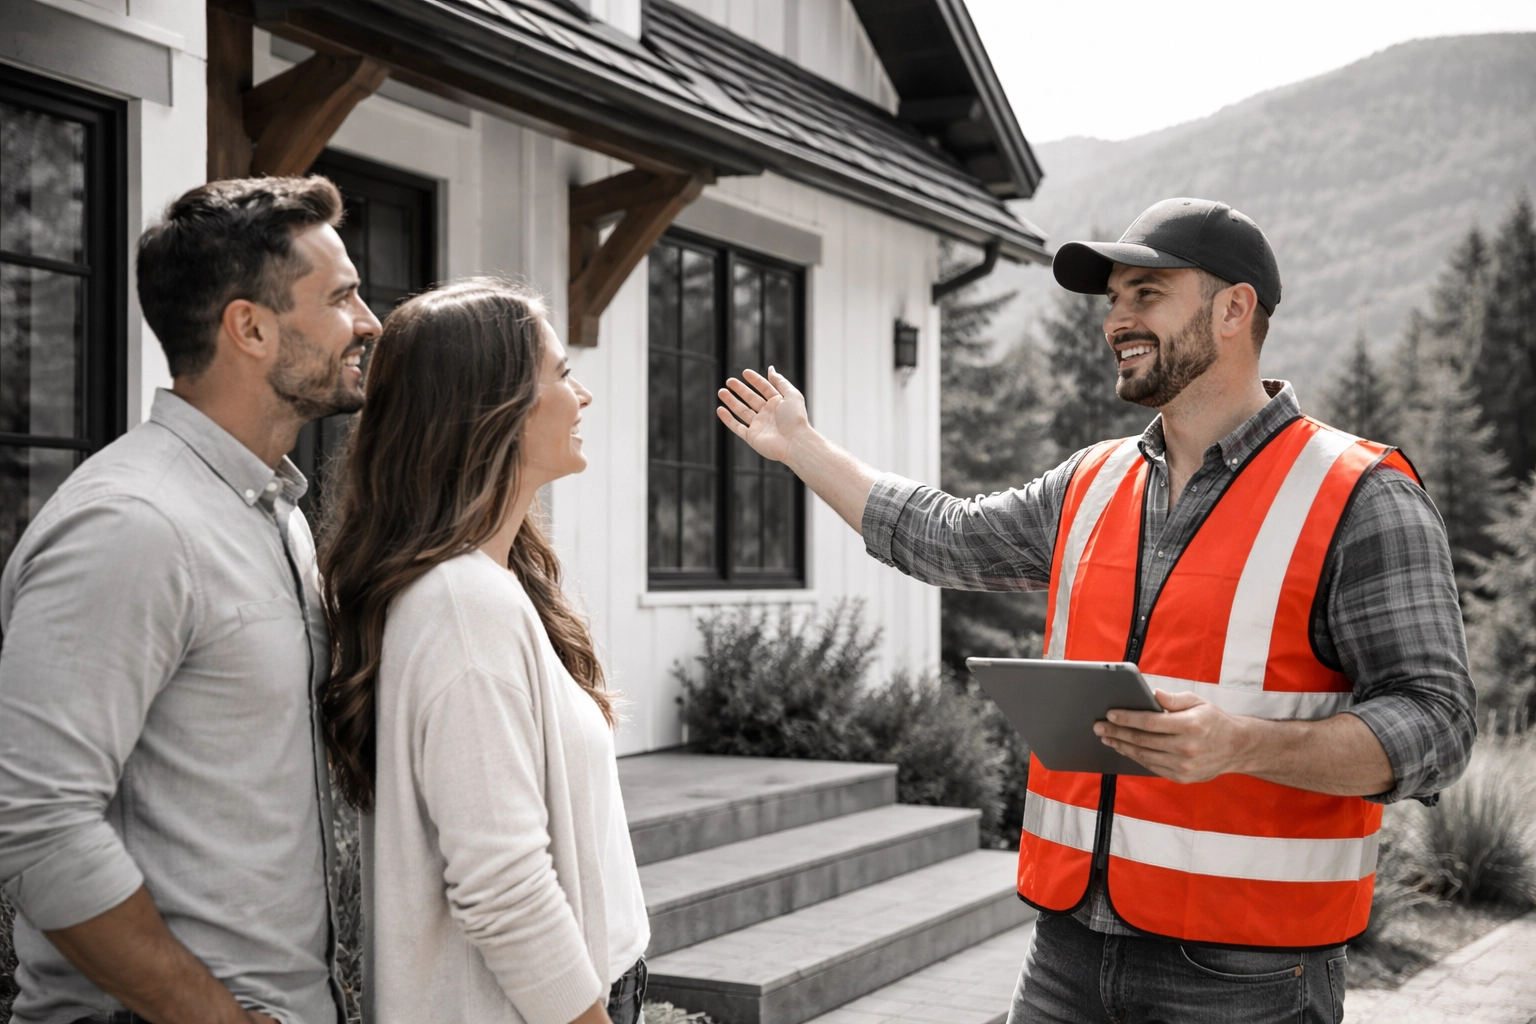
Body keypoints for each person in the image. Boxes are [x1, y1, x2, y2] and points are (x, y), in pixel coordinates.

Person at [715, 198, 1477, 1024]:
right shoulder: (1091, 480)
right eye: (1113, 300)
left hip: (1248, 974)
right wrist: (802, 446)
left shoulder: (1360, 496)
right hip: (1067, 951)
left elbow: (1438, 724)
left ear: (1234, 308)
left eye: (1146, 293)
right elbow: (946, 537)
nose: (1117, 320)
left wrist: (1242, 745)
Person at [0, 176, 381, 1023]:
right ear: (249, 327)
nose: (369, 324)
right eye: (344, 297)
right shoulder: (133, 526)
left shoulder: (270, 513)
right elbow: (34, 822)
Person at [318, 278, 649, 1024]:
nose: (583, 397)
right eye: (562, 374)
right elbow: (503, 887)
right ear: (493, 409)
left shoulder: (494, 583)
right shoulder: (463, 606)